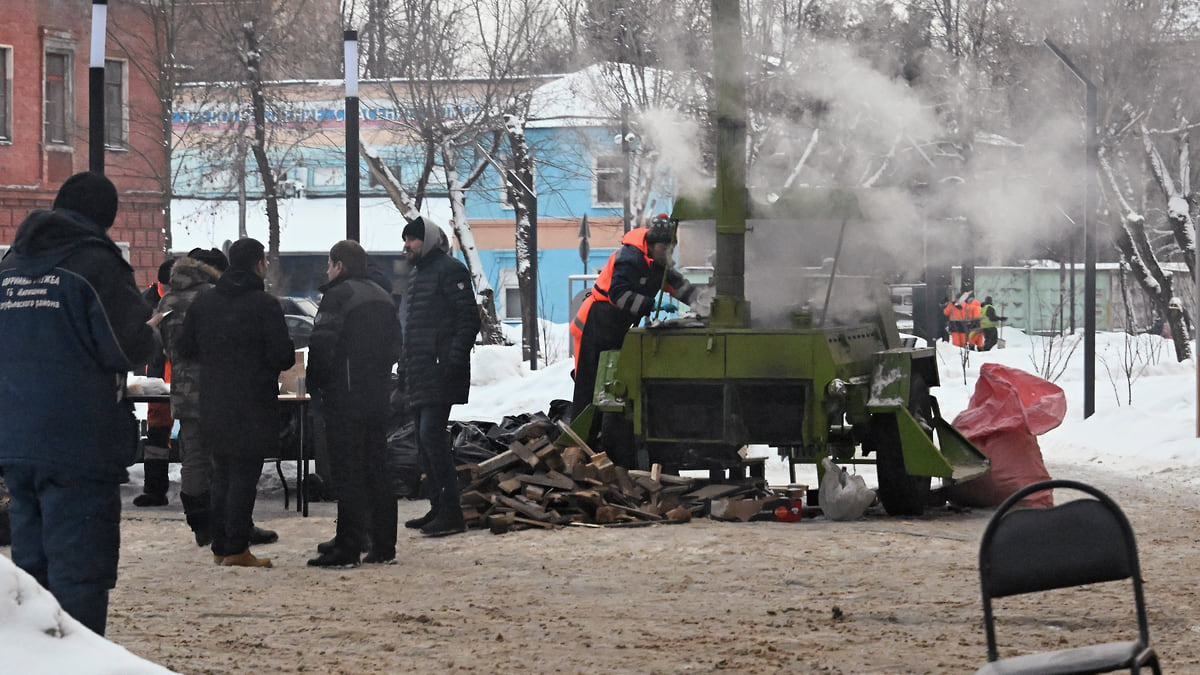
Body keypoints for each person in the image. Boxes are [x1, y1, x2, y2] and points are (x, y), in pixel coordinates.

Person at [0, 171, 160, 635]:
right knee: (79, 572)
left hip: (15, 438)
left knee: (30, 577)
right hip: (77, 441)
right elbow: (125, 346)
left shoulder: (11, 266)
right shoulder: (95, 264)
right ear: (106, 217)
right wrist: (151, 333)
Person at [177, 238, 295, 567]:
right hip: (253, 402)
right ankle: (237, 548)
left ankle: (221, 546)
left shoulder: (204, 302)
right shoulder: (265, 304)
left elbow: (185, 348)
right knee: (244, 475)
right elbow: (283, 356)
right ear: (259, 264)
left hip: (213, 398)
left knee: (222, 475)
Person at [568, 214, 707, 461]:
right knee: (589, 386)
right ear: (652, 245)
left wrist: (703, 303)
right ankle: (578, 448)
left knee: (612, 385)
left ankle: (605, 444)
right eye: (664, 248)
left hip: (619, 326)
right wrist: (652, 304)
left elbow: (680, 287)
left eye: (670, 248)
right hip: (597, 322)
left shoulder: (657, 261)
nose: (668, 253)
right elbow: (617, 295)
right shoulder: (629, 259)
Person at [306, 240, 402, 567]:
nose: (327, 270)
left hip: (344, 397)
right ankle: (383, 544)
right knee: (377, 468)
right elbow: (395, 347)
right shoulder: (382, 295)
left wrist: (316, 384)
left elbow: (321, 345)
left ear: (340, 265)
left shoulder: (339, 295)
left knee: (347, 472)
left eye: (329, 264)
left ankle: (348, 547)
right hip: (376, 394)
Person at [399, 217, 481, 537]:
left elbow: (468, 319)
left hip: (440, 370)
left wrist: (454, 357)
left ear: (428, 241)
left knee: (432, 438)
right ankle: (438, 507)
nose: (407, 245)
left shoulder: (451, 270)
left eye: (413, 240)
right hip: (421, 370)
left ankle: (452, 513)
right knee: (423, 441)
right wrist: (405, 366)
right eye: (406, 239)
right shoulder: (418, 274)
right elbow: (414, 328)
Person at [134, 257, 177, 507]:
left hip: (180, 374)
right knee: (158, 434)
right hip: (159, 377)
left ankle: (200, 491)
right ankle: (154, 488)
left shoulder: (157, 299)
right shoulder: (148, 301)